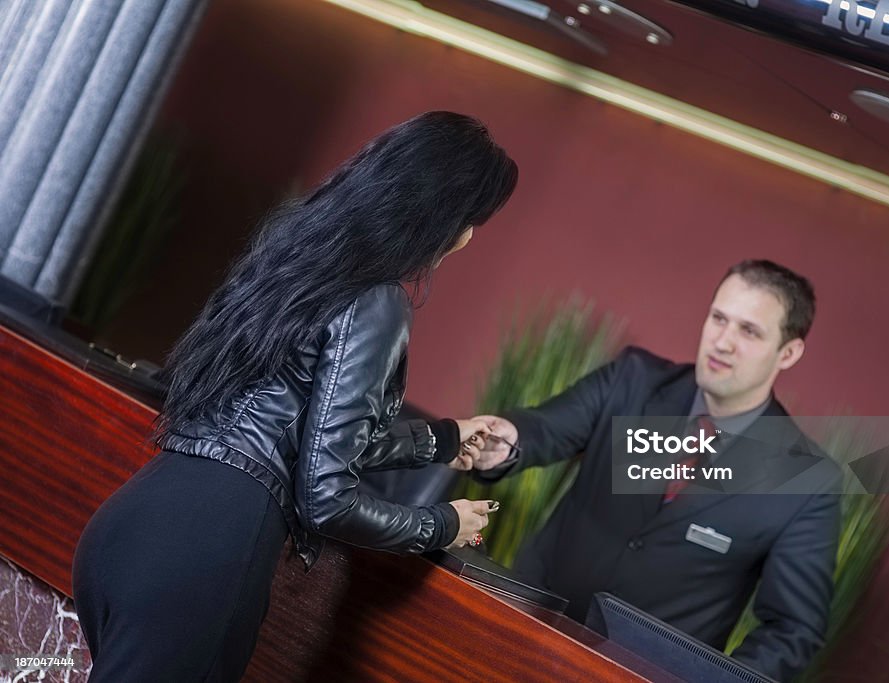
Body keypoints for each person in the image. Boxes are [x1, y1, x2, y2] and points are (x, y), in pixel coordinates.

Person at [71, 111, 518, 682]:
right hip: (206, 555)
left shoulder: (295, 256)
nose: (469, 238)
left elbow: (294, 421)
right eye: (472, 220)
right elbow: (326, 498)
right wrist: (439, 525)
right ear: (442, 213)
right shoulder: (377, 302)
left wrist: (446, 439)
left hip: (132, 525)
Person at [467, 260, 841, 682]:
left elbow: (793, 630)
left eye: (749, 331)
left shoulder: (807, 482)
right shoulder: (633, 379)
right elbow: (545, 427)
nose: (723, 342)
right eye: (719, 318)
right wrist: (507, 441)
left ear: (788, 352)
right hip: (524, 633)